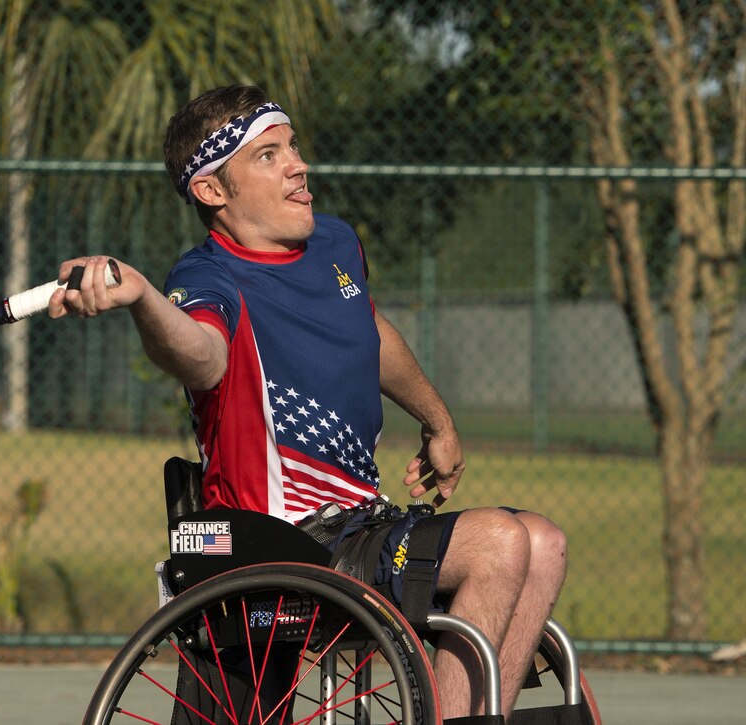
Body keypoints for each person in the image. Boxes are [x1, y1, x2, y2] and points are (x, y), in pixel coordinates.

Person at [47, 84, 567, 720]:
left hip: (361, 523)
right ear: (213, 191)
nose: (298, 164)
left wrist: (437, 419)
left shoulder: (335, 242)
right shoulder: (207, 278)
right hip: (283, 541)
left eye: (292, 146)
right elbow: (200, 356)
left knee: (543, 543)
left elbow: (369, 333)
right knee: (501, 544)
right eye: (267, 155)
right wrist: (143, 298)